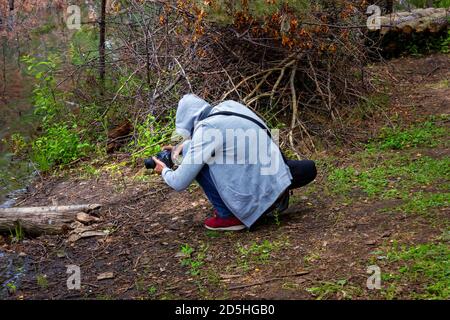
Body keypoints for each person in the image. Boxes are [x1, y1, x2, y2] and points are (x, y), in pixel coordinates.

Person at [152, 94, 316, 231]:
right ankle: (264, 202)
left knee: (197, 160)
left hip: (257, 200)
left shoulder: (207, 129)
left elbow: (179, 182)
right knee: (194, 152)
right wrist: (181, 148)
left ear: (190, 123)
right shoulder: (230, 107)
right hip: (277, 187)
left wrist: (165, 169)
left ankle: (229, 217)